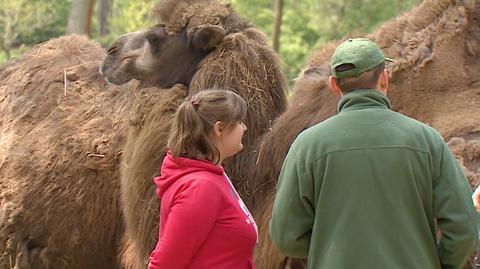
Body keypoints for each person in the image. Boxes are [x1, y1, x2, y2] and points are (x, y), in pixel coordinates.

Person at [269, 38, 479, 269]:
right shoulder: (427, 140)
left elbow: (285, 235)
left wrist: (330, 250)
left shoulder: (306, 146)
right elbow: (464, 225)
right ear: (384, 78)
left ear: (334, 85)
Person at [148, 89, 257, 269]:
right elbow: (164, 264)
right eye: (239, 121)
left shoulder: (211, 178)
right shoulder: (201, 188)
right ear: (219, 128)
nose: (244, 128)